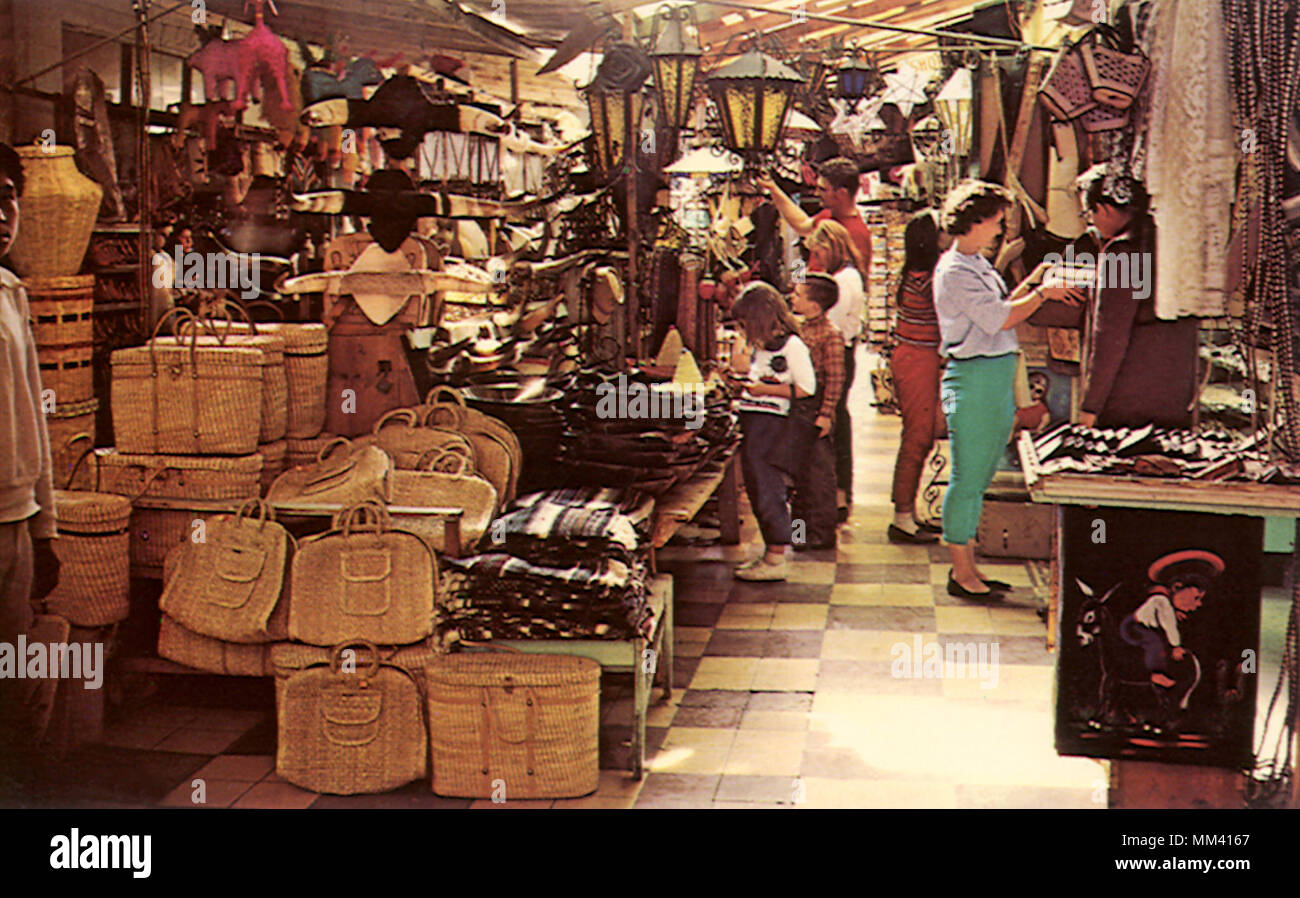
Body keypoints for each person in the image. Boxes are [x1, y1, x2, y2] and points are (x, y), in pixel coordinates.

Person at [934, 180, 1084, 598]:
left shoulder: (975, 264)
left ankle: (970, 569)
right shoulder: (954, 271)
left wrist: (1034, 282)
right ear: (975, 220)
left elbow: (1001, 311)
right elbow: (998, 320)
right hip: (975, 379)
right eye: (997, 219)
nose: (1001, 228)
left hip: (994, 377)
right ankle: (962, 574)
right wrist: (1042, 292)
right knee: (967, 479)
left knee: (977, 478)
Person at [1030, 165, 1200, 429]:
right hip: (1175, 393)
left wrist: (1090, 406)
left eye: (1090, 215)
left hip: (1128, 397)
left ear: (1106, 209)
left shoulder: (1122, 252)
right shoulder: (1169, 241)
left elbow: (1110, 335)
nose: (1092, 224)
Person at [0, 142, 62, 783]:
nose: (0, 213)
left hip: (13, 517)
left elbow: (34, 421)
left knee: (14, 674)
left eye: (7, 197)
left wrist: (45, 528)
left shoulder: (10, 294)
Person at [726, 282, 816, 582]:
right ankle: (770, 550)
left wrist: (763, 389)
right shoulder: (763, 345)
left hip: (772, 425)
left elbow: (806, 388)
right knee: (755, 484)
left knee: (767, 487)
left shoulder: (792, 346)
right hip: (754, 419)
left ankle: (777, 555)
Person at [886, 210, 946, 544]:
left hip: (914, 358)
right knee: (917, 438)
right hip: (917, 361)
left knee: (919, 436)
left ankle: (907, 512)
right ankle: (902, 518)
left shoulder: (916, 274)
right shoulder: (928, 280)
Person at [805, 220, 864, 522]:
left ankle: (838, 495)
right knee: (838, 421)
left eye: (817, 253)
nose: (815, 261)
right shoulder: (847, 276)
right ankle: (837, 494)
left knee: (834, 421)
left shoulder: (843, 281)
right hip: (842, 351)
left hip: (838, 355)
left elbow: (831, 323)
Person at [789, 273, 845, 550]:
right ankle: (798, 534)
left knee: (819, 475)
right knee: (799, 475)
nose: (792, 298)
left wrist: (825, 414)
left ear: (814, 306)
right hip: (798, 410)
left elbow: (835, 378)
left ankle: (822, 534)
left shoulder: (831, 335)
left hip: (815, 408)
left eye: (798, 295)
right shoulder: (798, 328)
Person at [1120, 550, 1222, 689]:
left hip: (1144, 626)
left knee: (1158, 641)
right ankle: (1157, 675)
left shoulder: (1166, 602)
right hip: (1132, 627)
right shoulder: (1162, 602)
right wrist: (1176, 646)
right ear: (1176, 587)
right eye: (1196, 598)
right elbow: (1169, 626)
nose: (1199, 604)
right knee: (1155, 643)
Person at [757, 157, 872, 275]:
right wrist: (772, 188)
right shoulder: (828, 215)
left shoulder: (856, 234)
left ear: (841, 193)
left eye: (823, 189)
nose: (817, 193)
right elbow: (801, 224)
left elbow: (849, 285)